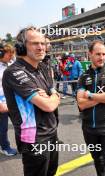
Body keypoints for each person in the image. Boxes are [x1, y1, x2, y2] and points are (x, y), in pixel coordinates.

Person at [2, 26, 61, 176]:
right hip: (34, 139)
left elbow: (52, 89)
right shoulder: (14, 72)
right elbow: (48, 105)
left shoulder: (42, 67)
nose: (41, 47)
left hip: (52, 132)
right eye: (35, 43)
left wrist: (52, 94)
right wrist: (53, 97)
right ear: (21, 47)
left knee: (51, 172)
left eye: (42, 43)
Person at [77, 40, 105, 176]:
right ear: (90, 54)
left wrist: (89, 94)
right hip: (89, 128)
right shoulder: (83, 76)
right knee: (98, 162)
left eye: (104, 54)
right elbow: (81, 103)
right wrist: (102, 97)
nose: (101, 57)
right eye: (98, 54)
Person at [0, 43, 17, 156]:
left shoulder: (12, 63)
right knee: (3, 127)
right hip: (2, 101)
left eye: (12, 53)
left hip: (13, 100)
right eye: (9, 53)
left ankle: (24, 145)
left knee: (20, 124)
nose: (11, 56)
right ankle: (5, 147)